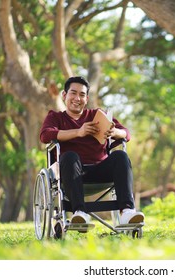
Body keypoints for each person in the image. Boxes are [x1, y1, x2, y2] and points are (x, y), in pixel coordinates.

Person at [40, 76, 144, 227]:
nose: (77, 98)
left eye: (82, 95)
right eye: (73, 93)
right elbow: (45, 135)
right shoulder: (55, 117)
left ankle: (127, 212)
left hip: (100, 170)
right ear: (64, 95)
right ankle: (79, 213)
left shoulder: (97, 115)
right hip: (71, 173)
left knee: (120, 155)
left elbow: (126, 134)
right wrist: (78, 132)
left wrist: (114, 132)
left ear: (86, 98)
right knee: (69, 156)